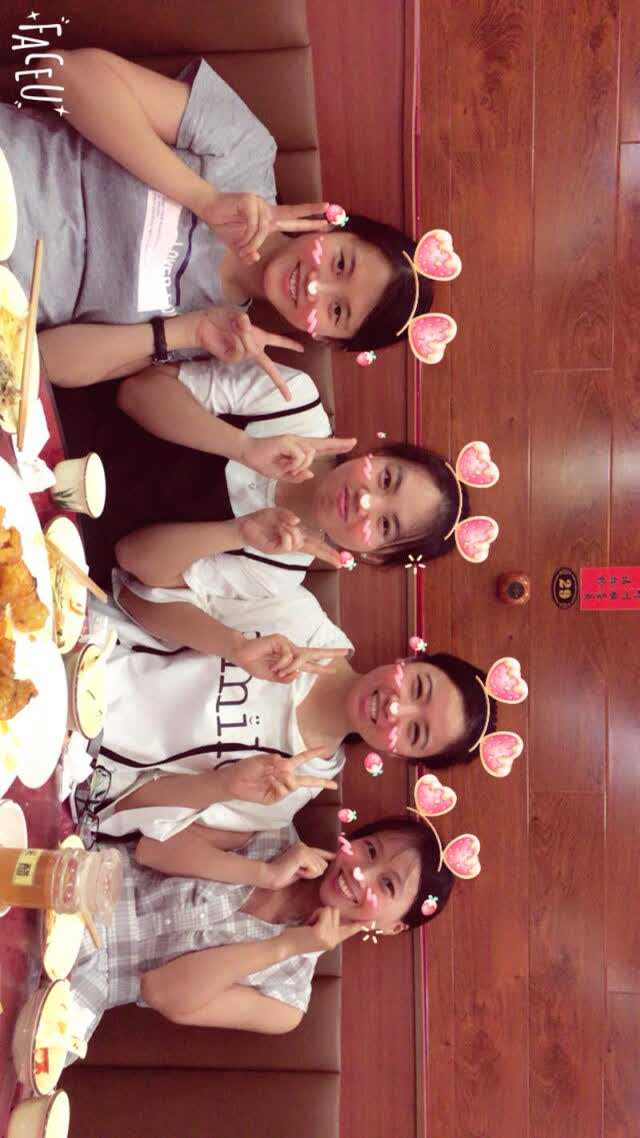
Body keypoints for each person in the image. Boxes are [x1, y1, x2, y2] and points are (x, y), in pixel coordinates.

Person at [5, 49, 432, 360]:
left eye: (336, 311)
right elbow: (60, 72)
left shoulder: (221, 332)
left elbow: (45, 361)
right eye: (340, 264)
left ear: (323, 338)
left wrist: (184, 333)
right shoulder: (247, 151)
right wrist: (203, 199)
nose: (315, 287)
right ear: (333, 225)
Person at [85, 579, 495, 842]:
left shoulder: (286, 794)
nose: (395, 708)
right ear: (406, 661)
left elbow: (122, 810)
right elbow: (137, 593)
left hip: (79, 758)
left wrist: (223, 785)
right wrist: (233, 645)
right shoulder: (299, 616)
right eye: (418, 687)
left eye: (415, 732)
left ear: (398, 755)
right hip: (84, 647)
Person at [39, 336, 466, 588]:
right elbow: (136, 393)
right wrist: (243, 447)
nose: (366, 502)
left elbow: (133, 558)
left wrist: (238, 532)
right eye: (387, 479)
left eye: (385, 525)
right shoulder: (295, 401)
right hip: (50, 426)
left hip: (59, 538)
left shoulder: (278, 570)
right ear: (379, 454)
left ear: (373, 556)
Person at [68, 808, 453, 1045]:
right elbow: (151, 849)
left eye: (387, 885)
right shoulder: (272, 829)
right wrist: (264, 872)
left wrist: (284, 947)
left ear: (393, 927)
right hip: (83, 879)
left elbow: (160, 991)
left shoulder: (286, 1002)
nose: (360, 873)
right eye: (369, 850)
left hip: (78, 988)